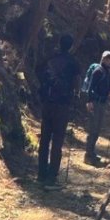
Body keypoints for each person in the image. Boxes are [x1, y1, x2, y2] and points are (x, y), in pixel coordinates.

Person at [37, 34, 80, 188]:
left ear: (59, 43)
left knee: (44, 139)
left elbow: (39, 73)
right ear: (71, 46)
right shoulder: (73, 63)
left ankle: (41, 173)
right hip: (62, 106)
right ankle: (52, 177)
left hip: (47, 103)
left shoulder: (49, 59)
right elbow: (76, 84)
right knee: (57, 141)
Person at [84, 50, 110, 166]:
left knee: (97, 129)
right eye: (107, 59)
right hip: (95, 103)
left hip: (102, 103)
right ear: (103, 59)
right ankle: (88, 155)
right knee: (93, 129)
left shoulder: (107, 72)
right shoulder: (98, 71)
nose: (109, 61)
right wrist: (89, 101)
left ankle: (91, 152)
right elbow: (90, 87)